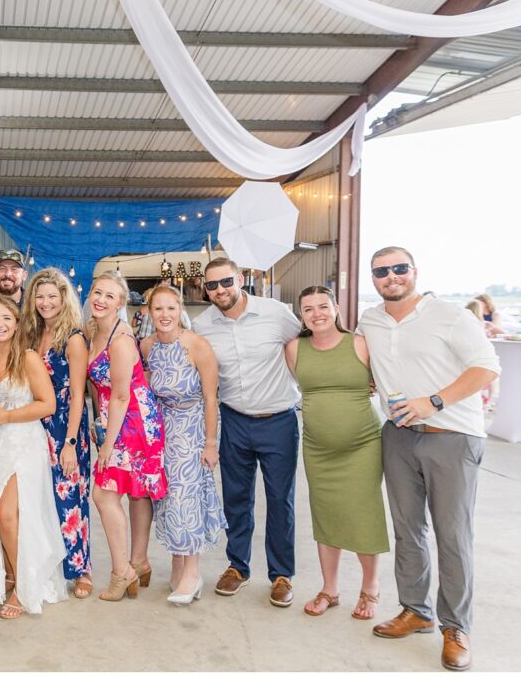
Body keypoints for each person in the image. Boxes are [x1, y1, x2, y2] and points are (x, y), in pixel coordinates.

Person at [359, 247, 500, 672]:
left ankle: (456, 627)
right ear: (373, 278)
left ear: (414, 272)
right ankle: (415, 610)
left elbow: (486, 367)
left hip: (452, 437)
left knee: (453, 536)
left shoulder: (451, 315)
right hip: (399, 437)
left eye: (399, 269)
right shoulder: (372, 319)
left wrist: (434, 401)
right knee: (408, 530)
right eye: (382, 271)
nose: (391, 277)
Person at [191, 257, 301, 607]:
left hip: (279, 419)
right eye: (212, 285)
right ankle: (237, 566)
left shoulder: (277, 313)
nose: (220, 290)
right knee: (236, 499)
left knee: (280, 499)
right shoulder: (202, 325)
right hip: (234, 418)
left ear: (240, 279)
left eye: (226, 282)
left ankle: (281, 574)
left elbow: (307, 346)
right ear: (205, 290)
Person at [284, 286, 388, 620]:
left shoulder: (359, 344)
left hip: (362, 446)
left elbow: (385, 380)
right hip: (317, 448)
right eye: (309, 308)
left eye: (323, 306)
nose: (317, 314)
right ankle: (330, 588)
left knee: (363, 513)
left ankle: (370, 588)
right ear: (301, 315)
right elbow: (300, 387)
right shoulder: (295, 348)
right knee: (326, 514)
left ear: (337, 308)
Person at [0, 296, 67, 619]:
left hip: (21, 443)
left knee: (7, 513)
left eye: (6, 318)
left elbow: (47, 404)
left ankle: (23, 587)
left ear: (17, 323)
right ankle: (9, 573)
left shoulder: (28, 359)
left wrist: (8, 417)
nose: (0, 324)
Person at [141, 284, 225, 606]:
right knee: (168, 499)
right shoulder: (147, 347)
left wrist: (211, 443)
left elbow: (210, 397)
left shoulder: (197, 346)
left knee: (187, 500)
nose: (165, 315)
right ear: (150, 312)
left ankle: (193, 572)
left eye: (170, 308)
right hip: (163, 433)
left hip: (192, 431)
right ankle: (178, 564)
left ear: (180, 311)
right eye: (158, 309)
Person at [86, 271, 167, 602]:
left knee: (104, 495)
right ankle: (139, 561)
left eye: (110, 296)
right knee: (134, 491)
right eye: (97, 293)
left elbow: (120, 395)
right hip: (115, 417)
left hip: (133, 421)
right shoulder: (95, 331)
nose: (101, 300)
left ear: (121, 303)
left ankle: (123, 572)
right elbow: (97, 388)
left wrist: (107, 444)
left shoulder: (119, 340)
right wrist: (98, 423)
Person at [20, 268, 93, 598]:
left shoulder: (73, 338)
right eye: (40, 296)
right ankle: (50, 564)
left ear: (64, 298)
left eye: (52, 296)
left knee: (71, 498)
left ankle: (81, 569)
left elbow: (78, 394)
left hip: (66, 424)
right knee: (44, 497)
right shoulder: (33, 335)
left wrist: (71, 443)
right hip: (38, 422)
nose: (46, 302)